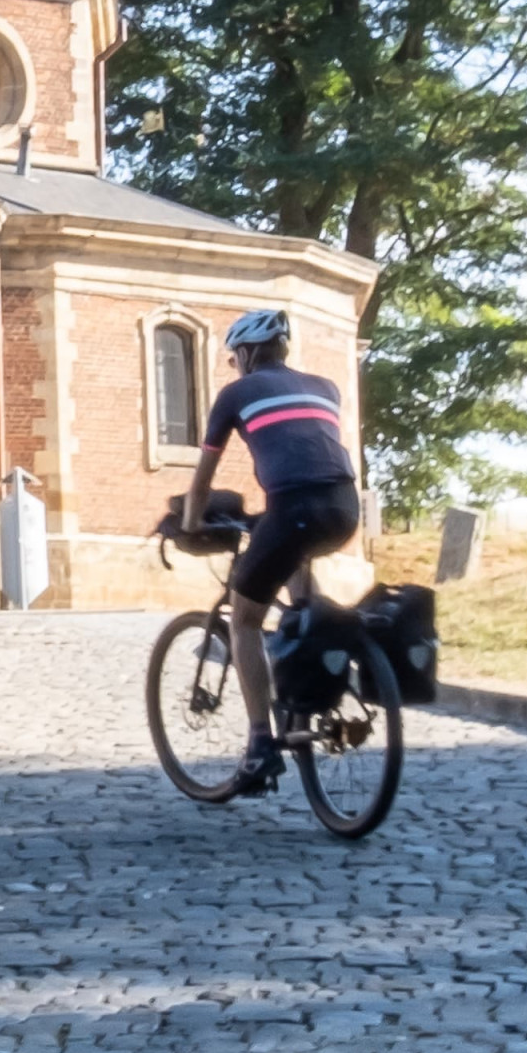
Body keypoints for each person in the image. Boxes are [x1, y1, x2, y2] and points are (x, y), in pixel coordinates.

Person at [181, 309, 361, 793]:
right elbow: (305, 452)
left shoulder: (235, 395)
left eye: (234, 356)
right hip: (344, 508)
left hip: (294, 508)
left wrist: (192, 522)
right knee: (300, 587)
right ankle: (315, 680)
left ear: (245, 353)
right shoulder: (325, 387)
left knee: (243, 620)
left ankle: (260, 745)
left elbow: (203, 480)